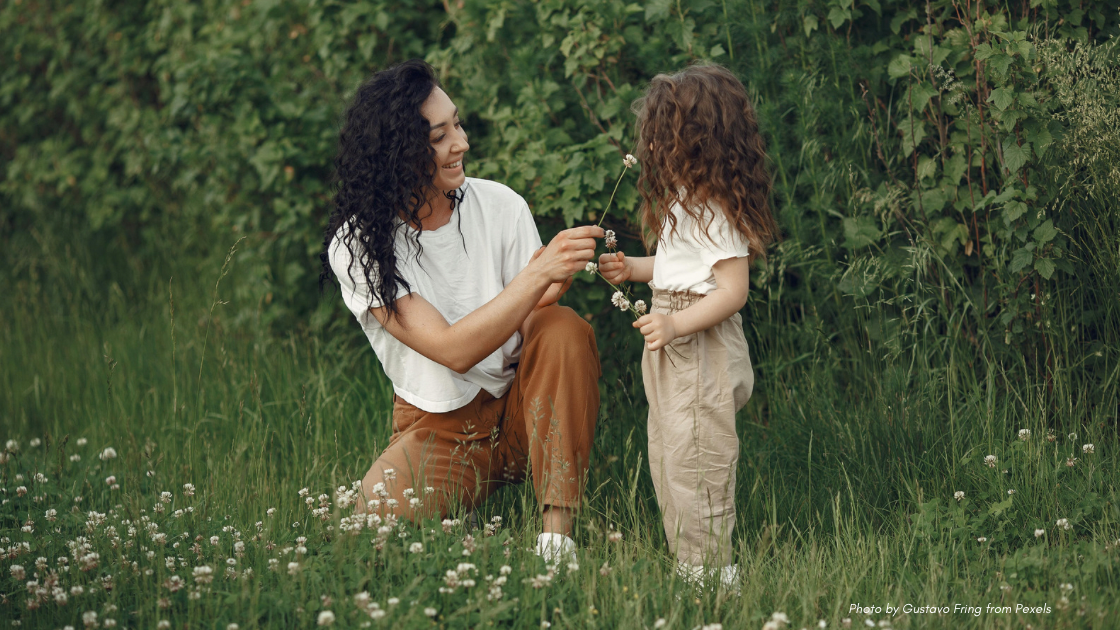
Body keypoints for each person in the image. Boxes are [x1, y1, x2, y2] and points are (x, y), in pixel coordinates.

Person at [321, 59, 603, 561]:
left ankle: (557, 542)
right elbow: (451, 349)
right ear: (398, 154)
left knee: (562, 327)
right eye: (438, 136)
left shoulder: (500, 205)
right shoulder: (360, 245)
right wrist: (536, 275)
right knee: (366, 535)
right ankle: (462, 499)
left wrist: (549, 285)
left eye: (458, 123)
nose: (461, 143)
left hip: (520, 403)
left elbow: (536, 312)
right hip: (440, 425)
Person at [598, 64, 778, 591]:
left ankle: (712, 573)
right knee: (672, 452)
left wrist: (675, 325)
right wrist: (633, 268)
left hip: (698, 342)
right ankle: (690, 561)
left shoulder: (714, 209)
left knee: (698, 455)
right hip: (675, 337)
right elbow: (681, 266)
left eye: (662, 135)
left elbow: (731, 289)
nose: (651, 146)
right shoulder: (683, 201)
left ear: (698, 141)